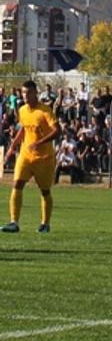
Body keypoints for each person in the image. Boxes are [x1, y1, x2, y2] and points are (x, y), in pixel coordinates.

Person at [2, 80, 62, 233]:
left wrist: (39, 142)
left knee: (45, 191)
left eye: (28, 92)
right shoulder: (22, 110)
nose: (25, 95)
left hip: (44, 158)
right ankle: (14, 222)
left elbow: (57, 130)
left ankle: (45, 224)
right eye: (23, 92)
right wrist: (12, 147)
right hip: (26, 155)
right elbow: (23, 129)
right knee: (17, 184)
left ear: (35, 93)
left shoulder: (45, 111)